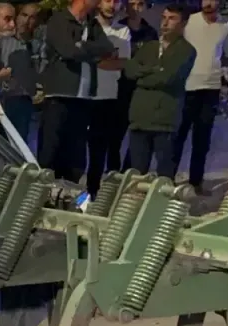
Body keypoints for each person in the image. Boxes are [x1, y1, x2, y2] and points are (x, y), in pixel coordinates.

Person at [37, 0, 115, 183]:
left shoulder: (92, 24)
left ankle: (70, 187)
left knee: (76, 149)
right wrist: (92, 53)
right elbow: (68, 51)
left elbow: (108, 48)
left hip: (84, 96)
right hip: (59, 95)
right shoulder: (59, 20)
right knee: (51, 147)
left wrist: (83, 46)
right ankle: (44, 187)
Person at [172, 0, 228, 193]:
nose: (207, 3)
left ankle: (195, 181)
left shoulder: (227, 26)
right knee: (178, 136)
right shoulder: (190, 21)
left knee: (202, 139)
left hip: (210, 88)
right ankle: (167, 178)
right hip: (187, 86)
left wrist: (213, 66)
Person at [125, 4, 195, 178]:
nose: (165, 22)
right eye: (164, 17)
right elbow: (130, 70)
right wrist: (154, 69)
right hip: (140, 117)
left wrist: (143, 76)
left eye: (172, 18)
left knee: (164, 174)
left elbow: (168, 78)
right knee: (135, 174)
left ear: (183, 23)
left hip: (165, 120)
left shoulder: (186, 50)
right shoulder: (149, 46)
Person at [85, 0, 131, 197]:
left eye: (116, 1)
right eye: (107, 0)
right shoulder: (87, 28)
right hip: (87, 96)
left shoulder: (123, 31)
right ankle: (88, 192)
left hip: (112, 96)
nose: (112, 5)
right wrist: (105, 59)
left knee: (110, 148)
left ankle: (108, 193)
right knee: (90, 150)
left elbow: (123, 62)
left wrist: (95, 60)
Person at [117, 0, 156, 168]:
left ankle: (128, 170)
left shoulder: (150, 33)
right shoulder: (118, 28)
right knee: (115, 135)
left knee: (138, 134)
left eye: (140, 4)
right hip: (118, 89)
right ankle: (112, 170)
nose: (136, 8)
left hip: (140, 90)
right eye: (132, 4)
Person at [0, 4, 42, 139]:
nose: (26, 21)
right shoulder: (3, 42)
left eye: (32, 17)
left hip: (26, 101)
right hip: (5, 100)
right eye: (24, 15)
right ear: (17, 17)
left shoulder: (38, 45)